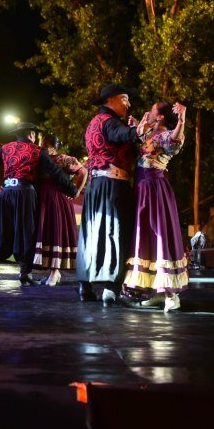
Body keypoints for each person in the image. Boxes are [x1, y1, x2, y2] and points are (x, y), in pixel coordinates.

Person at [76, 84, 150, 304]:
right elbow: (119, 134)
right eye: (125, 98)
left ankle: (85, 286)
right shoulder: (110, 122)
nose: (129, 103)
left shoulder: (92, 124)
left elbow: (90, 143)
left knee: (91, 233)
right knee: (115, 232)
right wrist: (137, 131)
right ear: (111, 100)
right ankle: (111, 287)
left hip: (95, 185)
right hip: (113, 185)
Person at [0, 122, 77, 284]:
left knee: (1, 228)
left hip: (7, 191)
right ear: (31, 135)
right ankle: (24, 273)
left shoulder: (5, 148)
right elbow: (55, 172)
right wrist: (72, 189)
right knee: (26, 231)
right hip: (26, 191)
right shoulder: (37, 150)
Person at [123, 101, 189, 312]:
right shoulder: (150, 134)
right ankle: (155, 291)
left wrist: (182, 120)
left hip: (155, 190)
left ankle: (171, 295)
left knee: (160, 235)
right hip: (142, 190)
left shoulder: (166, 135)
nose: (147, 113)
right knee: (146, 238)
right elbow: (140, 139)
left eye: (151, 111)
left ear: (160, 117)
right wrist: (135, 126)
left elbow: (175, 141)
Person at [34, 134, 88, 286]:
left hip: (58, 199)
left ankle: (55, 271)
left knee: (56, 233)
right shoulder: (40, 159)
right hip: (43, 198)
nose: (42, 146)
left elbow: (83, 172)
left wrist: (77, 191)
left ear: (52, 146)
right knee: (46, 233)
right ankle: (51, 272)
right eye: (41, 143)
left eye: (44, 144)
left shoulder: (63, 159)